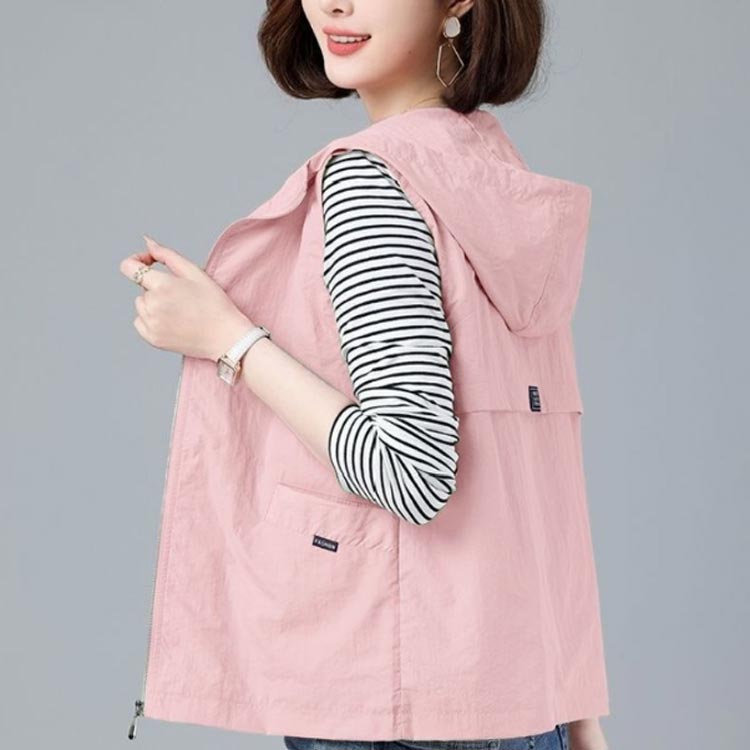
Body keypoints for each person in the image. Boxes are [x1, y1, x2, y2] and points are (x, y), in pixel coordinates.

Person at [120, 2, 609, 749]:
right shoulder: (488, 171)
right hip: (515, 699)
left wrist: (227, 338)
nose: (335, 3)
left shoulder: (372, 182)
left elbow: (412, 473)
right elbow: (535, 487)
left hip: (401, 700)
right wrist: (578, 713)